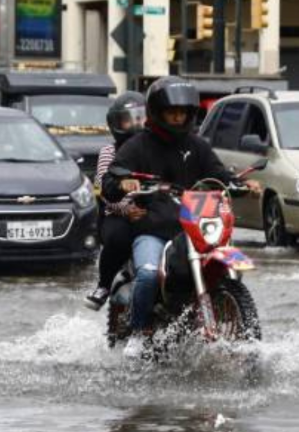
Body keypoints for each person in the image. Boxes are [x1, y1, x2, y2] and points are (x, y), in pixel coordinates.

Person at [101, 76, 261, 358]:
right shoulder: (137, 145)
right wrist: (124, 182)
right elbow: (113, 176)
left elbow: (218, 174)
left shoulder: (197, 146)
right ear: (157, 113)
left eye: (183, 113)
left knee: (222, 262)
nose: (177, 118)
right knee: (149, 276)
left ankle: (235, 329)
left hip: (193, 229)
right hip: (153, 230)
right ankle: (139, 332)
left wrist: (241, 185)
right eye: (171, 112)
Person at [84, 91, 147, 311]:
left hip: (154, 211)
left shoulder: (157, 148)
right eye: (129, 119)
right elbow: (102, 189)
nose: (136, 124)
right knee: (119, 237)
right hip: (117, 214)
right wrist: (125, 209)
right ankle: (103, 285)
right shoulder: (109, 152)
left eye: (141, 117)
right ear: (117, 123)